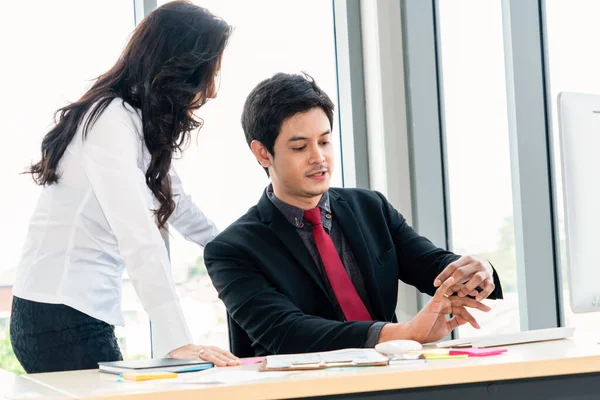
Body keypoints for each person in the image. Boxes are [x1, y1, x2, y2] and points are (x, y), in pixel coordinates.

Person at [10, 1, 239, 373]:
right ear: (180, 68)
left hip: (72, 314)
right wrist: (177, 341)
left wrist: (241, 251)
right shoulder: (110, 120)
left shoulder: (134, 121)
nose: (210, 90)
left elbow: (180, 204)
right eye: (208, 73)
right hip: (58, 314)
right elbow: (137, 233)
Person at [204, 72, 504, 357]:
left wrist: (477, 273)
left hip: (387, 382)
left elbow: (432, 266)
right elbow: (286, 332)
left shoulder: (370, 208)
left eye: (324, 141)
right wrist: (404, 334)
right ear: (262, 153)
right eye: (299, 147)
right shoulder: (232, 249)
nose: (319, 158)